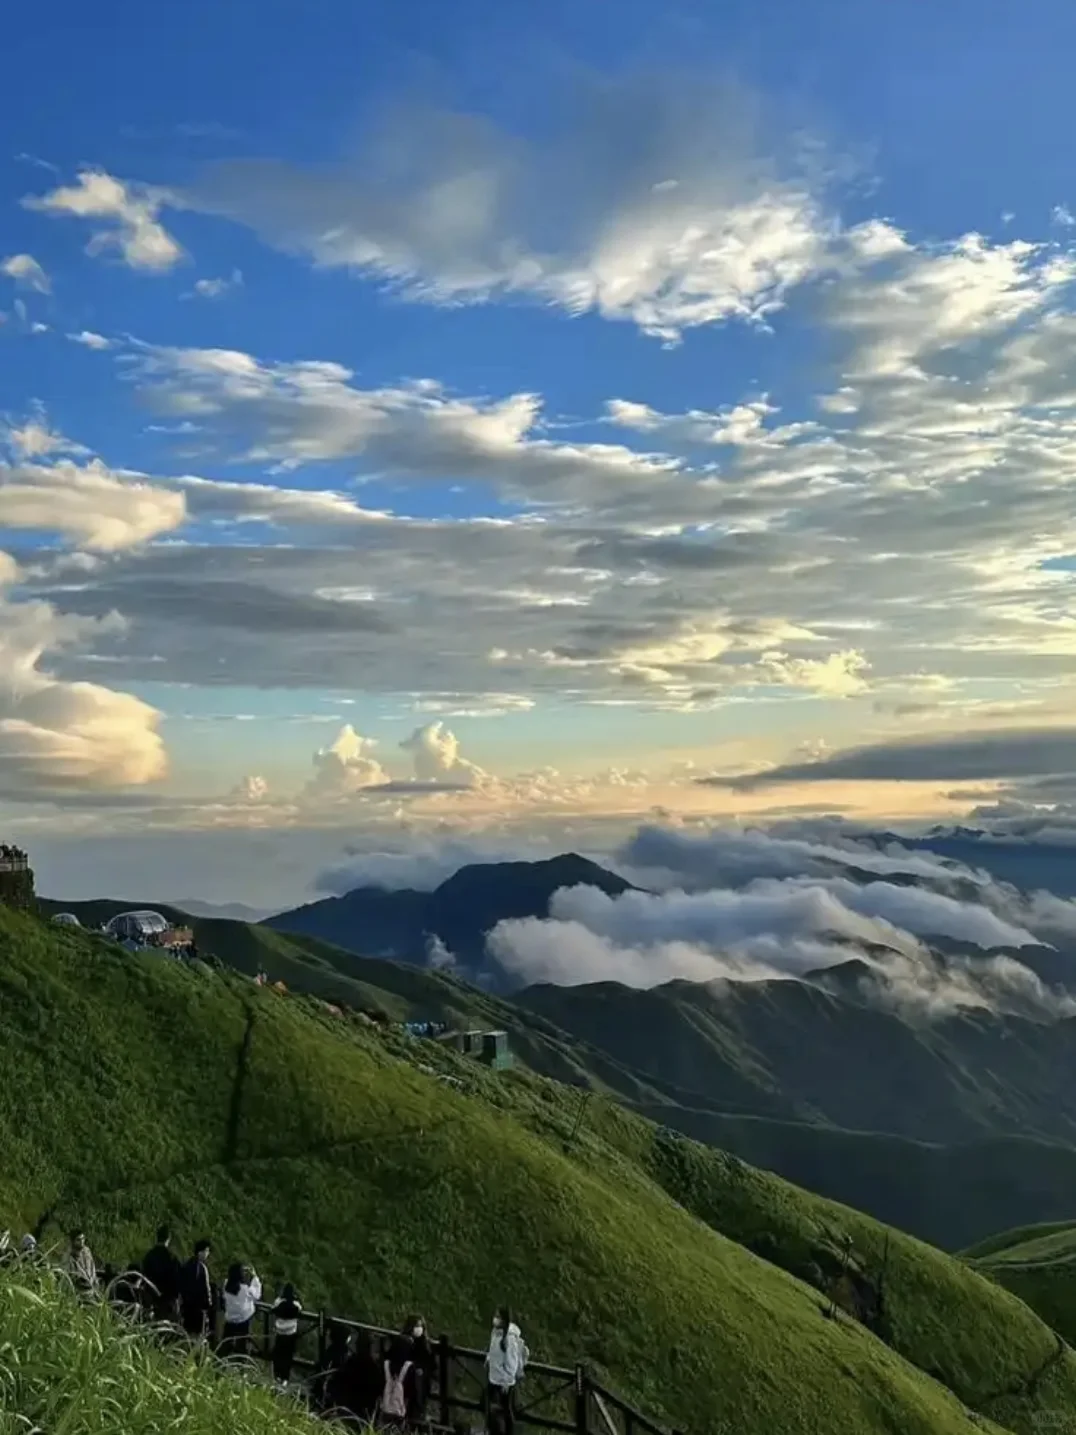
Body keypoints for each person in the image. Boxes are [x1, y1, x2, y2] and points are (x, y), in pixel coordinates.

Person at [486, 1308, 528, 1435]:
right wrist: (488, 1358)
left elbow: (512, 1361)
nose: (495, 1319)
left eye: (498, 1316)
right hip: (493, 1378)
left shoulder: (509, 1338)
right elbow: (493, 1350)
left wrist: (507, 1381)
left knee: (506, 1413)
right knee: (493, 1410)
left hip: (504, 1383)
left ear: (503, 1320)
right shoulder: (495, 1333)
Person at [219, 1261, 262, 1359]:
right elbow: (257, 1295)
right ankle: (240, 1367)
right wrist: (255, 1277)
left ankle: (219, 1363)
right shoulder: (245, 1289)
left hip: (229, 1319)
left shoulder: (226, 1285)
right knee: (242, 1346)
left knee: (225, 1344)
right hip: (243, 1320)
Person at [142, 1225, 182, 1323]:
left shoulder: (149, 1256)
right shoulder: (172, 1257)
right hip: (168, 1301)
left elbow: (144, 1277)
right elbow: (177, 1281)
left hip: (152, 1300)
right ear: (168, 1239)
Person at [380, 1335, 418, 1430]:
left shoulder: (385, 1364)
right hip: (400, 1411)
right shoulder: (409, 1368)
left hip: (385, 1408)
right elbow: (411, 1392)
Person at [179, 1239, 214, 1340]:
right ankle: (197, 1354)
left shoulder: (186, 1265)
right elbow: (206, 1289)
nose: (208, 1254)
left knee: (188, 1334)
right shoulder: (202, 1268)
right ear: (201, 1252)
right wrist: (209, 1304)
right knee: (199, 1335)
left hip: (186, 1307)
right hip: (199, 1308)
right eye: (207, 1251)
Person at [401, 1314, 432, 1421]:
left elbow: (430, 1364)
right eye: (416, 1326)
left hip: (419, 1383)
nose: (419, 1329)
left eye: (420, 1326)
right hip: (406, 1380)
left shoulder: (424, 1344)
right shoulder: (405, 1341)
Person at [271, 1282, 303, 1386]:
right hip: (291, 1334)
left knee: (278, 1355)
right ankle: (285, 1378)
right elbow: (300, 1309)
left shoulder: (278, 1301)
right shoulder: (296, 1304)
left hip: (280, 1333)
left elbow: (273, 1308)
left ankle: (277, 1376)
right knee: (287, 1357)